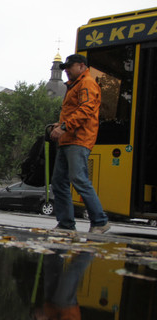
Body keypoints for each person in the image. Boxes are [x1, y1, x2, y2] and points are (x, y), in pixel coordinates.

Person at [49, 54, 110, 234]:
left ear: (82, 66)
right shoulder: (76, 85)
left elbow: (86, 110)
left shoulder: (87, 84)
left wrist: (64, 126)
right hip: (68, 139)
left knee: (79, 179)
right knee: (59, 182)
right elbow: (76, 111)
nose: (66, 70)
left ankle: (100, 222)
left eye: (70, 67)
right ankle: (66, 224)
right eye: (65, 67)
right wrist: (59, 125)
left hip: (78, 139)